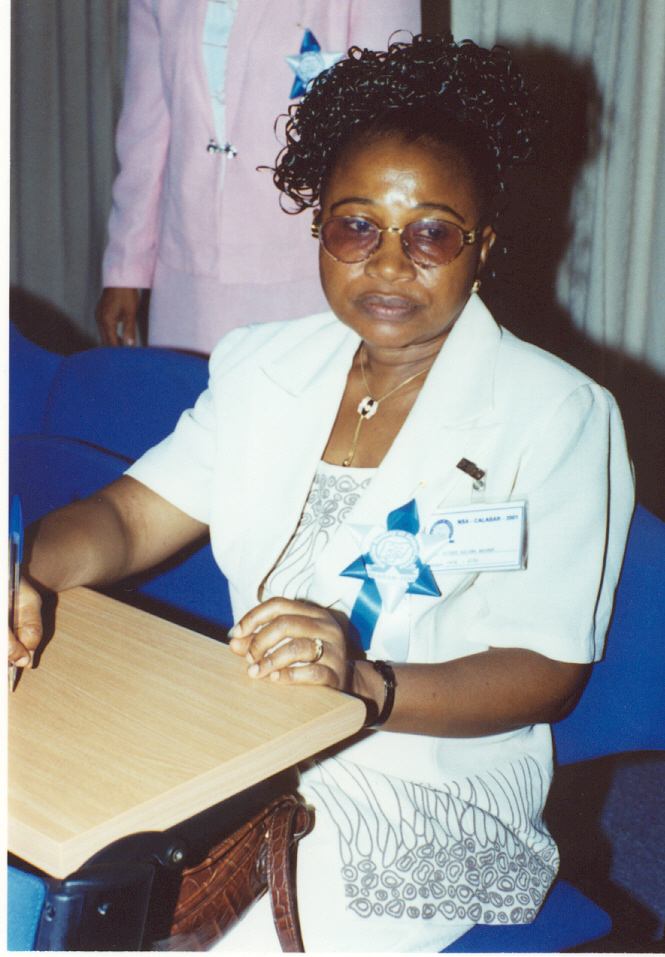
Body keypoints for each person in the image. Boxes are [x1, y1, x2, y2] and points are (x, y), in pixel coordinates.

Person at [11, 33, 634, 953]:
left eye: (431, 232)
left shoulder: (556, 414)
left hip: (429, 782)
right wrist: (20, 568)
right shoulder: (263, 365)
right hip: (244, 736)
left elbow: (547, 668)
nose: (389, 262)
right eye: (355, 226)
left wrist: (363, 683)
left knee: (188, 929)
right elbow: (127, 516)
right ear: (319, 231)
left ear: (482, 246)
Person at [95, 0, 421, 353]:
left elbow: (386, 134)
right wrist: (126, 268)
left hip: (312, 273)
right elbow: (144, 132)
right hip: (186, 281)